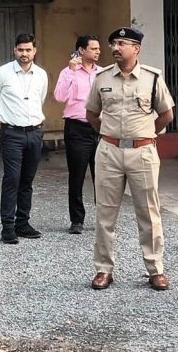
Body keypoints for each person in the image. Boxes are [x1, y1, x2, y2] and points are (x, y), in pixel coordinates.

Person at [85, 26, 174, 291]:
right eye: (113, 43)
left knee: (149, 212)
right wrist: (109, 135)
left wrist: (144, 134)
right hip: (109, 152)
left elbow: (166, 114)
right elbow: (92, 114)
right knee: (105, 213)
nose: (115, 48)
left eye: (122, 44)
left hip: (142, 152)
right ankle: (103, 269)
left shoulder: (152, 78)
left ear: (136, 49)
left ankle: (155, 269)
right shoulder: (102, 77)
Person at [0, 33, 48, 244]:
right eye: (20, 50)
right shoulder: (2, 73)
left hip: (35, 133)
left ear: (34, 51)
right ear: (14, 50)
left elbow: (40, 99)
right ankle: (8, 227)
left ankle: (23, 223)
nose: (24, 54)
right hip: (12, 133)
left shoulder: (41, 75)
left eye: (28, 50)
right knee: (12, 178)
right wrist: (5, 116)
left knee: (27, 179)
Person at [55, 35, 102, 234]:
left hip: (100, 128)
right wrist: (71, 72)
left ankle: (104, 220)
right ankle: (77, 220)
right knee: (77, 175)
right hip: (77, 128)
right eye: (93, 48)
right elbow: (59, 97)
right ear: (82, 50)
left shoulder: (103, 73)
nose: (98, 51)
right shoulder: (68, 72)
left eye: (98, 48)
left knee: (103, 176)